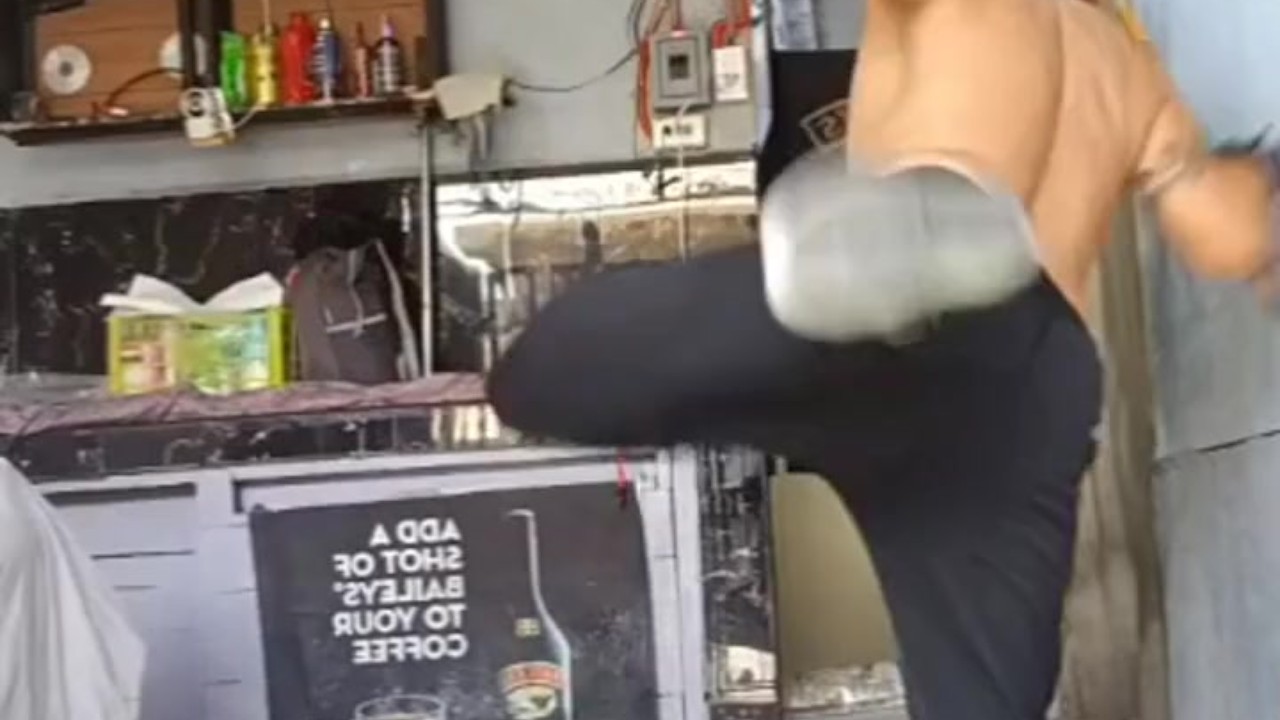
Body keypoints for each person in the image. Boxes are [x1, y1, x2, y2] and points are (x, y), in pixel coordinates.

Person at [486, 1, 1279, 718]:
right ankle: (931, 249)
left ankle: (928, 243)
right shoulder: (1135, 72)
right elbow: (1227, 233)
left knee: (543, 378)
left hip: (880, 311)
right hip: (1026, 382)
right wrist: (1259, 198)